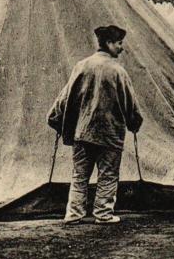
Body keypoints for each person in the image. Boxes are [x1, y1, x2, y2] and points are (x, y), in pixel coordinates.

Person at [47, 25, 143, 225]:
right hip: (109, 135)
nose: (122, 47)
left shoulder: (81, 66)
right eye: (119, 43)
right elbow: (130, 103)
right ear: (109, 43)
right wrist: (134, 122)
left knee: (79, 175)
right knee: (108, 175)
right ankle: (103, 214)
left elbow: (66, 96)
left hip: (83, 133)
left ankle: (73, 214)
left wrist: (55, 118)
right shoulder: (118, 71)